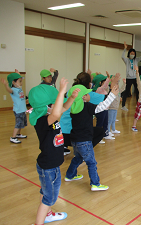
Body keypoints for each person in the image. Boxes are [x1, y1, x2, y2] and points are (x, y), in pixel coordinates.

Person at [29, 79, 80, 225]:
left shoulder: (49, 115)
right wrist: (61, 91)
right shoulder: (42, 121)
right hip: (48, 167)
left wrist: (71, 98)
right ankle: (39, 222)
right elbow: (57, 113)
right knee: (49, 198)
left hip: (52, 165)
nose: (56, 106)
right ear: (45, 107)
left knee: (46, 193)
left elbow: (62, 108)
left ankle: (48, 214)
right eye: (52, 104)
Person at [65, 84, 118, 191]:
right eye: (87, 94)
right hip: (85, 141)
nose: (89, 95)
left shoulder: (73, 108)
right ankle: (95, 183)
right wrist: (112, 95)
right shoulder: (87, 106)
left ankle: (70, 175)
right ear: (83, 97)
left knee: (78, 158)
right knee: (91, 162)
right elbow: (102, 107)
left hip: (75, 140)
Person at [1, 70, 27, 144]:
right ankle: (13, 137)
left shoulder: (19, 88)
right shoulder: (13, 90)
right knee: (18, 124)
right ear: (13, 82)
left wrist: (18, 74)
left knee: (21, 123)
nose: (21, 83)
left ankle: (18, 134)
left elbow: (20, 98)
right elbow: (9, 90)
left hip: (22, 110)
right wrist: (6, 84)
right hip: (18, 110)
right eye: (19, 81)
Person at [121, 41, 141, 111]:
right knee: (126, 91)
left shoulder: (136, 60)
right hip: (129, 78)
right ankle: (123, 105)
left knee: (138, 91)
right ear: (129, 54)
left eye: (134, 53)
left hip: (135, 77)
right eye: (131, 53)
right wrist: (125, 49)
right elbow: (122, 56)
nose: (133, 54)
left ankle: (138, 105)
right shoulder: (127, 60)